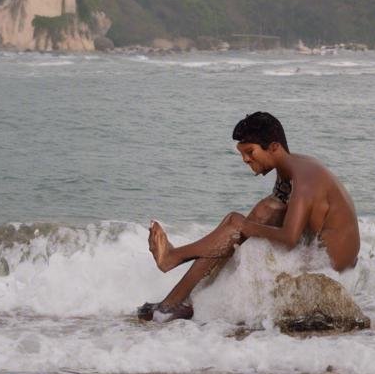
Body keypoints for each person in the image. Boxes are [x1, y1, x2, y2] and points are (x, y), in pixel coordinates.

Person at [138, 111, 360, 322]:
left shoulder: (304, 180)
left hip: (330, 264)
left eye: (250, 152)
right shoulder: (289, 168)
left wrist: (244, 225)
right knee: (257, 214)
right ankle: (173, 301)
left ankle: (174, 262)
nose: (245, 159)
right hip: (315, 249)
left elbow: (290, 237)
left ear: (273, 147)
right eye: (242, 153)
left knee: (243, 223)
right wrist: (241, 225)